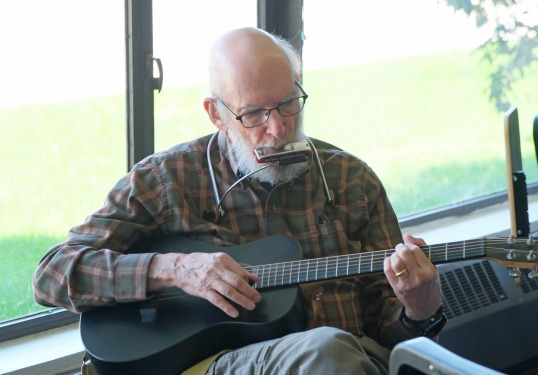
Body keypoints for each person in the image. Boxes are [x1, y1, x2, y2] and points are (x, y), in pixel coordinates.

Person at [33, 27, 445, 374]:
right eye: (253, 114)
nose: (279, 128)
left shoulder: (351, 179)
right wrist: (174, 268)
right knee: (326, 350)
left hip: (346, 362)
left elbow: (390, 339)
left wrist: (420, 311)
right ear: (217, 115)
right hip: (220, 363)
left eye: (288, 104)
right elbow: (51, 274)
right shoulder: (168, 179)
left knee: (338, 353)